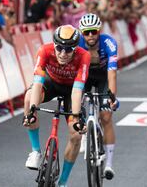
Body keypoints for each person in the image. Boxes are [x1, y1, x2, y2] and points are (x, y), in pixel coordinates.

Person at [23, 24, 91, 187]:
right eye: (59, 48)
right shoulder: (44, 51)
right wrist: (32, 111)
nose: (62, 53)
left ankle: (63, 182)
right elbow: (38, 82)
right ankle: (36, 151)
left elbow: (77, 91)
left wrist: (76, 118)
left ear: (75, 49)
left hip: (72, 89)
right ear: (54, 45)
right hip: (51, 83)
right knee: (29, 97)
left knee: (75, 135)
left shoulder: (84, 56)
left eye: (68, 50)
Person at [78, 13, 119, 180]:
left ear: (99, 31)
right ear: (82, 33)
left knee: (106, 116)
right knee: (75, 105)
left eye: (93, 32)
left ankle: (109, 163)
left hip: (103, 77)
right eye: (86, 32)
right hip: (84, 76)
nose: (90, 36)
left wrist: (112, 97)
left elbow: (112, 74)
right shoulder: (78, 44)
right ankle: (83, 133)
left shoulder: (108, 43)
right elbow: (74, 73)